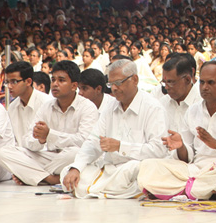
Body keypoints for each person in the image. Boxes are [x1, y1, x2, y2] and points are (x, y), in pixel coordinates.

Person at [137, 62, 216, 200]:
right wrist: (181, 147)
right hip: (195, 170)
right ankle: (201, 190)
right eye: (201, 82)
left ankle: (184, 191)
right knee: (148, 166)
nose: (204, 87)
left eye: (210, 83)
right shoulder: (193, 111)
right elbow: (188, 155)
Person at [60, 60, 167, 199]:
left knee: (137, 170)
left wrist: (120, 146)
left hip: (134, 169)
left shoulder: (153, 107)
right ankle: (110, 190)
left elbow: (158, 150)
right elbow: (93, 142)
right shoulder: (110, 107)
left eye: (119, 83)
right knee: (67, 172)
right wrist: (76, 168)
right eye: (110, 84)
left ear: (135, 79)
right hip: (110, 170)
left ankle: (99, 188)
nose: (114, 89)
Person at [0, 61, 98, 186]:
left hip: (70, 158)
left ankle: (35, 176)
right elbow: (28, 140)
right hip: (49, 157)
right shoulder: (46, 107)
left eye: (61, 80)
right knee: (4, 153)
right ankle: (50, 178)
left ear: (74, 86)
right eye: (53, 79)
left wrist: (50, 135)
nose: (55, 84)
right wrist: (40, 140)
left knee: (75, 153)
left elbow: (85, 142)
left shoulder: (87, 107)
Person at [3, 61, 51, 146]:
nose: (9, 86)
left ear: (28, 81)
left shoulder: (47, 102)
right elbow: (11, 139)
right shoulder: (12, 107)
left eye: (14, 82)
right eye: (7, 82)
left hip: (42, 153)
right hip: (20, 154)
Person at [159, 54, 201, 133]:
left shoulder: (202, 105)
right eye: (165, 82)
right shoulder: (163, 103)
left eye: (171, 82)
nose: (166, 87)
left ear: (187, 80)